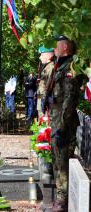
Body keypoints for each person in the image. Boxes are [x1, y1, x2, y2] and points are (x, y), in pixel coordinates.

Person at [45, 36, 80, 211]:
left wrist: (62, 127)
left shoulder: (71, 67)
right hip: (57, 119)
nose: (55, 49)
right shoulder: (60, 65)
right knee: (56, 159)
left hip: (64, 123)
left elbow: (69, 99)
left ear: (65, 47)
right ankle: (60, 197)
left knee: (63, 161)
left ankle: (62, 200)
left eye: (57, 46)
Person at [37, 46, 55, 117]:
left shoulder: (51, 68)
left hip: (45, 100)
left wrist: (44, 102)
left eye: (42, 54)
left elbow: (48, 87)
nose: (40, 57)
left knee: (44, 122)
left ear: (48, 55)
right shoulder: (47, 67)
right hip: (42, 98)